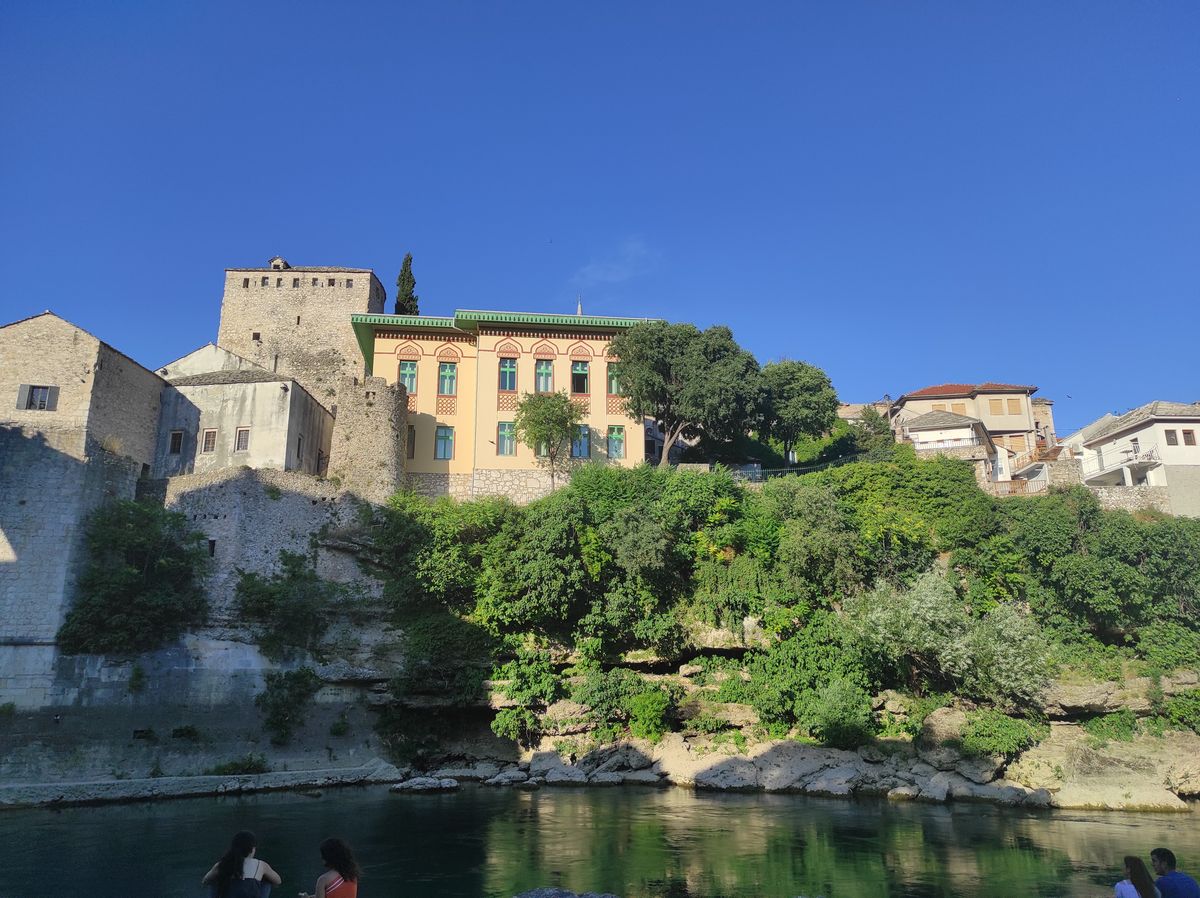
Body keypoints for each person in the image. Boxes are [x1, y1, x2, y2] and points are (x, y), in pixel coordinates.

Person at [202, 830, 283, 898]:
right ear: (252, 849)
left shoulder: (222, 864)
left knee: (214, 880)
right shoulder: (260, 865)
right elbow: (278, 881)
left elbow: (205, 881)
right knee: (267, 881)